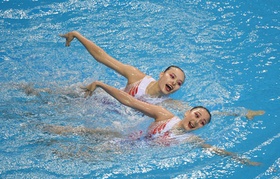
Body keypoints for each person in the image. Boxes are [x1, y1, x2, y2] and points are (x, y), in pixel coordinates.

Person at [59, 31, 265, 120]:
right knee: (46, 94)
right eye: (172, 76)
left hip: (113, 118)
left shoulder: (167, 106)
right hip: (99, 101)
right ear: (162, 74)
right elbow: (103, 57)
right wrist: (77, 35)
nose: (174, 83)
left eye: (179, 83)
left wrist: (241, 113)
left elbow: (201, 114)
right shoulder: (136, 76)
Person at [47, 81, 261, 166]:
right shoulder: (165, 115)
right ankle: (43, 131)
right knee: (79, 131)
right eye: (196, 116)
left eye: (202, 122)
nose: (197, 121)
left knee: (75, 155)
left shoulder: (192, 138)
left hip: (127, 152)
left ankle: (48, 150)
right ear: (188, 112)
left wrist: (241, 159)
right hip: (126, 137)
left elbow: (216, 150)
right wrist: (102, 85)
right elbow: (130, 101)